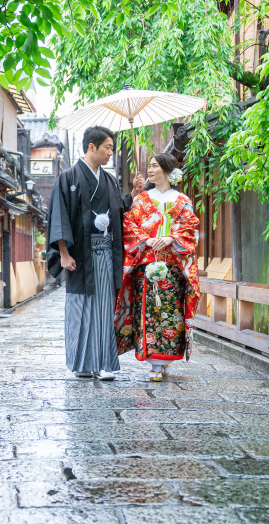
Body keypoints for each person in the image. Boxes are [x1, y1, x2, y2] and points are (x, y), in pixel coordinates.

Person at [46, 125, 144, 380]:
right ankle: (82, 364)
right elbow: (60, 218)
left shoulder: (109, 179)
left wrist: (133, 193)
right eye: (108, 147)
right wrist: (64, 254)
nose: (111, 152)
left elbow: (119, 210)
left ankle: (104, 364)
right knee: (80, 308)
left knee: (103, 308)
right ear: (92, 147)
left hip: (106, 254)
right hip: (80, 257)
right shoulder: (67, 178)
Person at [114, 153, 200, 382]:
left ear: (167, 171)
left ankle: (168, 359)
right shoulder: (141, 200)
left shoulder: (182, 201)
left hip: (172, 268)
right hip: (147, 267)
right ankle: (154, 363)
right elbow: (128, 224)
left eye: (155, 166)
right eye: (149, 166)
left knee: (171, 315)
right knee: (149, 313)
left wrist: (172, 239)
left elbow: (191, 229)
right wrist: (146, 239)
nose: (149, 170)